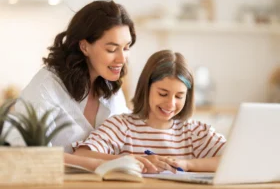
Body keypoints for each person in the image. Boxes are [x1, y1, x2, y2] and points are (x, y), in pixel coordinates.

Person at [8, 0, 135, 153]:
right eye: (111, 49)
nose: (122, 59)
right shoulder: (47, 87)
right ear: (84, 46)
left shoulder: (111, 89)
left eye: (126, 47)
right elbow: (30, 154)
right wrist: (96, 161)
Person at [72, 50, 227, 173]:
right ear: (146, 89)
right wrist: (129, 160)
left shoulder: (195, 133)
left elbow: (236, 159)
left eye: (179, 96)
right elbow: (81, 155)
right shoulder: (122, 126)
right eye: (163, 94)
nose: (170, 103)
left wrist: (188, 164)